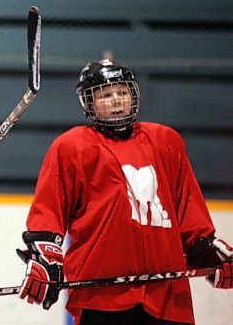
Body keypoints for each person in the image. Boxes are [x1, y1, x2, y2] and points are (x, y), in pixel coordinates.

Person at [17, 59, 232, 324]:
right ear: (89, 103)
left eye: (122, 92)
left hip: (167, 294)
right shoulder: (72, 146)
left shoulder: (166, 141)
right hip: (101, 297)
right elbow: (49, 210)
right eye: (106, 95)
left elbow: (186, 205)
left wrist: (205, 249)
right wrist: (44, 255)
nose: (117, 100)